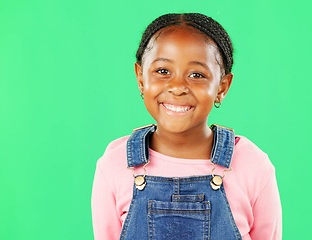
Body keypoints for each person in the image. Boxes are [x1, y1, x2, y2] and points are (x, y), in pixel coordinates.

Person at [91, 13, 282, 240]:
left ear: (222, 87)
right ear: (141, 78)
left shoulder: (252, 165)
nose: (178, 87)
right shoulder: (115, 163)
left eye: (197, 74)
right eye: (163, 71)